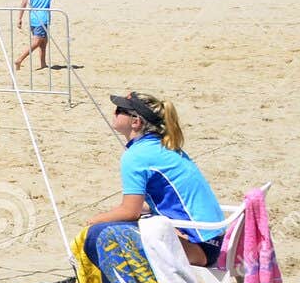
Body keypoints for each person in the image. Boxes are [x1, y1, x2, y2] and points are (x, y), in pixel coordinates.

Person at [87, 91, 225, 267]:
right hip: (212, 239)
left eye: (120, 110)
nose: (114, 112)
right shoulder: (162, 145)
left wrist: (93, 221)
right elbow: (162, 202)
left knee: (99, 234)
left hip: (199, 247)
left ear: (136, 122)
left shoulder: (137, 156)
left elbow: (130, 212)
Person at [13, 0, 53, 70]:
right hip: (43, 17)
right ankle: (19, 59)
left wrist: (20, 18)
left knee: (44, 41)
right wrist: (19, 18)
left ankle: (43, 63)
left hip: (34, 17)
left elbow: (24, 3)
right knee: (37, 41)